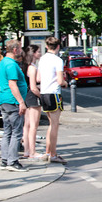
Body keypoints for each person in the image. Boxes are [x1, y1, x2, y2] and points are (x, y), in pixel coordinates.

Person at [0, 40, 28, 172]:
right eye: (20, 48)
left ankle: (5, 160)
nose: (21, 51)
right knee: (16, 132)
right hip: (12, 101)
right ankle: (13, 161)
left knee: (7, 132)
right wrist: (21, 102)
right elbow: (12, 84)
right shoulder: (11, 65)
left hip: (4, 100)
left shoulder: (3, 62)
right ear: (15, 50)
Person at [38, 36, 68, 164]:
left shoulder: (42, 59)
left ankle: (47, 151)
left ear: (46, 46)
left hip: (44, 92)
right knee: (55, 125)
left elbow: (38, 78)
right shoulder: (57, 60)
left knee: (51, 124)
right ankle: (53, 154)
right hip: (54, 93)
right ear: (58, 47)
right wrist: (65, 83)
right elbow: (60, 81)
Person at [21, 45, 44, 160]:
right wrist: (42, 97)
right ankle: (32, 151)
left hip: (25, 96)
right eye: (38, 51)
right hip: (32, 97)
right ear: (33, 53)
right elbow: (34, 87)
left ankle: (26, 150)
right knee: (33, 126)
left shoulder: (24, 66)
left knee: (27, 125)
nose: (40, 53)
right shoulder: (32, 67)